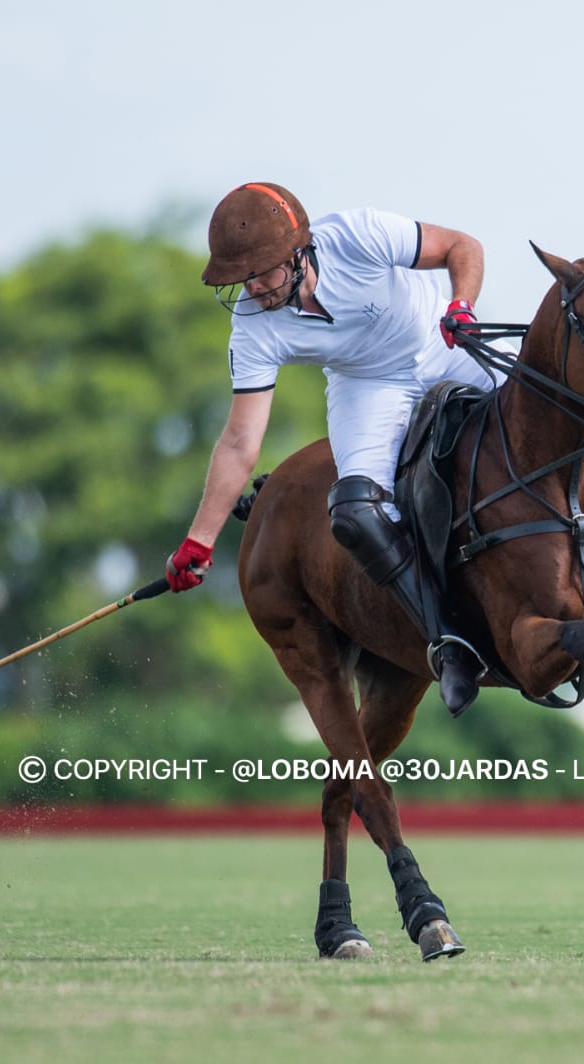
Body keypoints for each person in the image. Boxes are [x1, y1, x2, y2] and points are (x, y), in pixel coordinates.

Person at [164, 182, 496, 715]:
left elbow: (463, 246)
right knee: (356, 510)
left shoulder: (358, 235)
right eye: (241, 279)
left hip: (444, 341)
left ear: (299, 252)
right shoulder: (251, 328)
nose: (253, 289)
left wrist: (462, 305)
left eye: (262, 272)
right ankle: (448, 643)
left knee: (551, 409)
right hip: (368, 386)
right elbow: (240, 440)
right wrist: (199, 540)